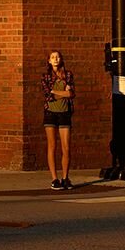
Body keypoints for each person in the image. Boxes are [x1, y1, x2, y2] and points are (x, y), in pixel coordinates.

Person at [41, 49, 74, 190]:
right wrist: (63, 93)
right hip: (50, 113)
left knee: (66, 147)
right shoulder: (46, 76)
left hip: (64, 113)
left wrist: (57, 92)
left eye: (58, 57)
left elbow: (72, 94)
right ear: (49, 60)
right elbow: (48, 96)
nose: (55, 59)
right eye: (53, 57)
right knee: (52, 146)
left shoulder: (68, 75)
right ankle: (54, 179)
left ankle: (65, 177)